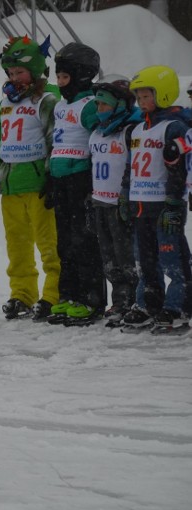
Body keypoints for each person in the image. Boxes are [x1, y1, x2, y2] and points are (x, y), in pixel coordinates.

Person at [0, 35, 61, 321]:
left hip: (38, 185)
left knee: (49, 245)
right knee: (18, 246)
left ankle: (53, 294)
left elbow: (54, 141)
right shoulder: (5, 105)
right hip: (11, 186)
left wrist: (52, 178)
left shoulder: (48, 99)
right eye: (10, 73)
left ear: (35, 71)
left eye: (20, 72)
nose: (14, 77)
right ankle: (22, 293)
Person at [119, 65, 191, 333]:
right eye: (138, 97)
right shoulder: (136, 130)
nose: (141, 101)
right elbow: (130, 167)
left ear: (162, 94)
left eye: (146, 96)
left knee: (172, 259)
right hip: (140, 204)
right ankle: (149, 303)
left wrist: (174, 202)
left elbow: (179, 168)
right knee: (145, 260)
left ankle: (178, 306)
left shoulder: (174, 127)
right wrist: (125, 196)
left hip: (164, 205)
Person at [44, 42, 105, 326]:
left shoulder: (90, 105)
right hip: (61, 180)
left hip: (81, 179)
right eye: (58, 76)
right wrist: (50, 177)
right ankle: (68, 295)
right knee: (64, 243)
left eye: (64, 76)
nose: (59, 82)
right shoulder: (60, 106)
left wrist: (93, 182)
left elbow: (101, 143)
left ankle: (91, 300)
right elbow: (57, 143)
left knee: (84, 242)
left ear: (82, 75)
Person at [88, 76, 142, 326]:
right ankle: (118, 300)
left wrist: (126, 196)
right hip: (100, 203)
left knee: (126, 256)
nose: (99, 110)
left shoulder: (130, 132)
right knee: (108, 257)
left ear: (120, 105)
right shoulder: (97, 134)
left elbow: (133, 168)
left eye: (104, 105)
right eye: (98, 105)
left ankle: (133, 300)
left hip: (120, 205)